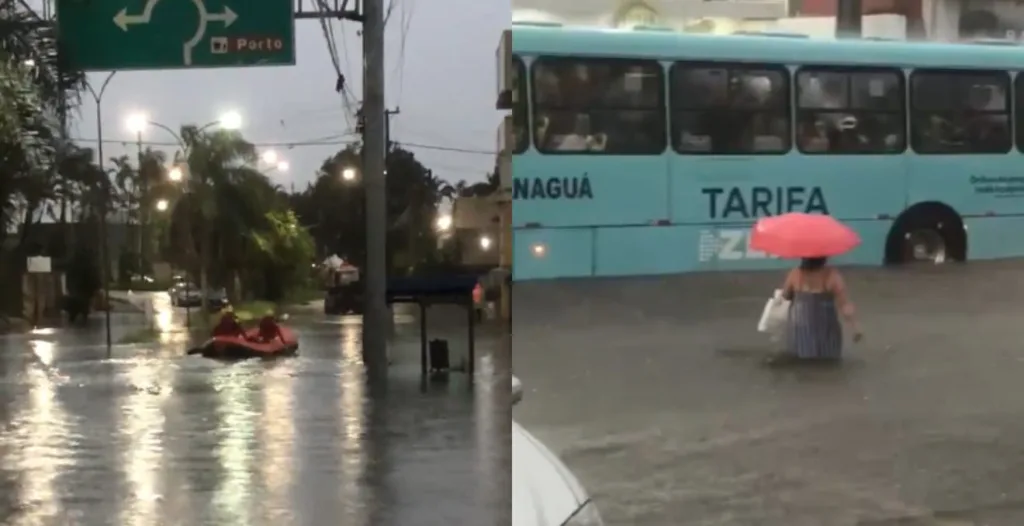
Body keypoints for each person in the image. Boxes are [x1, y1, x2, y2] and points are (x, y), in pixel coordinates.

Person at [780, 257, 862, 361]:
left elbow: (785, 296)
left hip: (800, 325)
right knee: (828, 360)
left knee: (800, 359)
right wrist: (855, 327)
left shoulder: (795, 274)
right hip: (826, 325)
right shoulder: (832, 275)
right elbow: (845, 305)